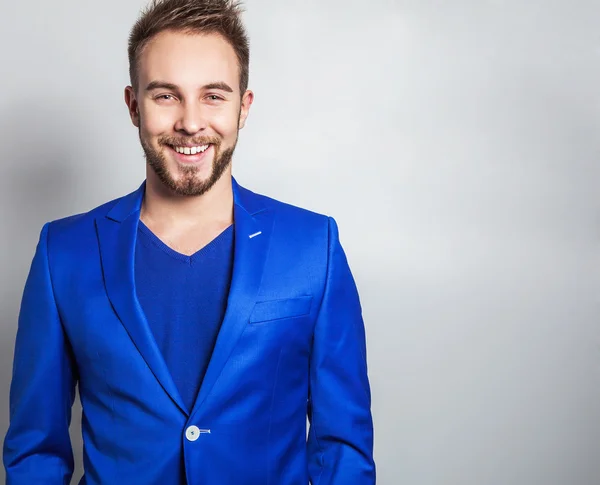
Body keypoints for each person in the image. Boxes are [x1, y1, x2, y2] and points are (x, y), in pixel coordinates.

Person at [2, 0, 375, 483]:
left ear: (244, 107)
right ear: (134, 105)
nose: (191, 122)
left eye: (213, 96)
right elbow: (36, 451)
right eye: (166, 96)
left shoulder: (312, 247)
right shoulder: (63, 253)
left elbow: (342, 449)